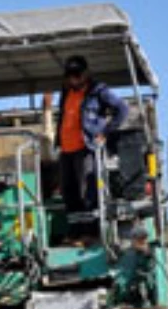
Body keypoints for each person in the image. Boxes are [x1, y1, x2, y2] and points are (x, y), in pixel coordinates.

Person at [53, 54, 128, 243]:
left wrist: (106, 132)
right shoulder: (66, 91)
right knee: (68, 192)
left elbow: (122, 109)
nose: (73, 79)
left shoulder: (98, 91)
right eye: (70, 75)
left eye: (77, 75)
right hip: (66, 150)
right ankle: (75, 232)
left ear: (86, 74)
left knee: (87, 191)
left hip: (85, 148)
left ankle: (90, 232)